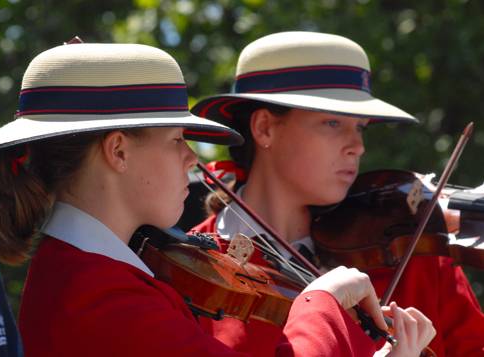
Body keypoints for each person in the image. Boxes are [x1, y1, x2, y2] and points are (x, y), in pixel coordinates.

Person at [0, 41, 410, 357]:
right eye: (175, 140)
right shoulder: (100, 294)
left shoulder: (93, 274)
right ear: (118, 152)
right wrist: (324, 302)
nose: (191, 157)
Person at [191, 31, 482, 356]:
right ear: (265, 128)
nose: (357, 146)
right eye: (332, 123)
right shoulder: (197, 271)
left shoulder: (409, 250)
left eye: (360, 127)